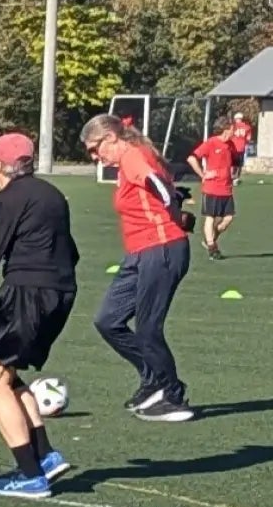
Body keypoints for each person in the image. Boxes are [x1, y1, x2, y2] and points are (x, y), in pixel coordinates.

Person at [0, 133, 79, 499]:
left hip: (26, 293)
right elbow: (71, 251)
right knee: (9, 376)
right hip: (61, 293)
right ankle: (45, 456)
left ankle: (29, 475)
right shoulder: (52, 195)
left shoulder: (5, 200)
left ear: (0, 164)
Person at [82, 113, 197, 422]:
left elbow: (156, 183)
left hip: (160, 250)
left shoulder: (133, 156)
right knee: (108, 320)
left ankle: (173, 396)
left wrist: (167, 197)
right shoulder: (131, 160)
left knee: (148, 329)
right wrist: (174, 198)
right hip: (139, 254)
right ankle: (153, 380)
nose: (96, 157)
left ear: (110, 138)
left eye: (96, 149)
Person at [188, 118, 239, 259]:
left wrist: (233, 172)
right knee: (210, 218)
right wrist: (203, 174)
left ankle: (209, 240)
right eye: (232, 128)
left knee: (227, 219)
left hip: (226, 188)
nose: (234, 131)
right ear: (226, 129)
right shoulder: (211, 143)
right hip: (211, 188)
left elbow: (234, 161)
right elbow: (192, 158)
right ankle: (212, 248)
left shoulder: (230, 144)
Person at [229, 111, 254, 177]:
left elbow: (229, 135)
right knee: (239, 164)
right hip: (241, 147)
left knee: (232, 164)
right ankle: (237, 177)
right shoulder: (247, 127)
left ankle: (232, 176)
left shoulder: (232, 126)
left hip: (233, 147)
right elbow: (248, 138)